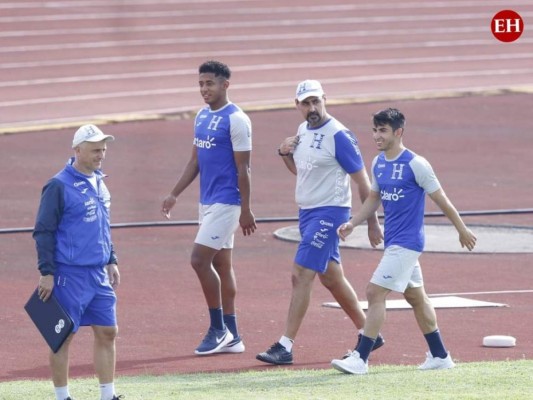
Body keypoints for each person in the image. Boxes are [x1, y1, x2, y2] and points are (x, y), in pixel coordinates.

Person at [331, 108, 477, 375]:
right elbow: (373, 198)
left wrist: (462, 229)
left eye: (383, 130)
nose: (376, 135)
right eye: (374, 130)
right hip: (394, 241)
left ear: (398, 132)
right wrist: (353, 222)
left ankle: (361, 358)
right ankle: (440, 355)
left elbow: (441, 199)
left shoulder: (416, 164)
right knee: (416, 298)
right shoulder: (378, 163)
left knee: (375, 292)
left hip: (407, 243)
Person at [256, 80, 384, 365]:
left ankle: (285, 346)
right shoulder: (302, 130)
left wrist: (372, 222)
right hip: (307, 212)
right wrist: (284, 154)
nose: (312, 108)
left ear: (325, 99)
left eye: (316, 101)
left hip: (331, 213)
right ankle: (369, 334)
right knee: (330, 276)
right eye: (306, 103)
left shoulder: (339, 135)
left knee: (301, 272)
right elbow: (301, 172)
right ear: (297, 105)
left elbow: (363, 181)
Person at [161, 60, 256, 356]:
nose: (204, 89)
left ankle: (218, 329)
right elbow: (195, 162)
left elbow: (245, 169)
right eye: (201, 84)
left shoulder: (237, 120)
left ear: (225, 84)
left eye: (210, 83)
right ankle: (234, 335)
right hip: (207, 202)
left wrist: (246, 209)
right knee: (221, 265)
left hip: (228, 202)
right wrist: (175, 193)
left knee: (199, 260)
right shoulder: (201, 116)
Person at [33, 124, 122, 400]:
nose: (101, 154)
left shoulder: (99, 180)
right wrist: (46, 272)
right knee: (63, 335)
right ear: (78, 150)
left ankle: (107, 395)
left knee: (108, 331)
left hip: (98, 273)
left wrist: (111, 258)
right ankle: (63, 397)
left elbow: (103, 225)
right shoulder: (58, 185)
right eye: (96, 149)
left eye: (104, 149)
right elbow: (43, 230)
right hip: (68, 274)